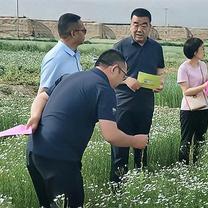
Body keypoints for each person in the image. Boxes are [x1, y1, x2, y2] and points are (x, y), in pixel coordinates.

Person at [26, 49, 148, 207]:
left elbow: (41, 96)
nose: (121, 81)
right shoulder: (104, 89)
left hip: (34, 151)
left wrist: (35, 116)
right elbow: (110, 135)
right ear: (114, 69)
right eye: (123, 76)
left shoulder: (70, 76)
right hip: (60, 158)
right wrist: (135, 141)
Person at [110, 8, 165, 183]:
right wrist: (127, 80)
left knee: (142, 148)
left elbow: (160, 71)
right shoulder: (119, 47)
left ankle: (140, 186)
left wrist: (160, 83)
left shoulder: (156, 48)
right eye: (136, 24)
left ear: (150, 27)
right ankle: (117, 190)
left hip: (145, 106)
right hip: (123, 106)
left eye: (144, 25)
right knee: (120, 150)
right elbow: (109, 75)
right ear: (130, 25)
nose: (139, 29)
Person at [177, 37, 208, 165]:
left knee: (200, 140)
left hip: (204, 107)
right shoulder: (183, 68)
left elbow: (207, 85)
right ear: (195, 52)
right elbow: (186, 91)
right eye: (202, 48)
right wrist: (205, 86)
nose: (204, 50)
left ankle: (197, 165)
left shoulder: (203, 65)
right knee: (186, 140)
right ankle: (182, 168)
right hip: (188, 109)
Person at [38, 13, 86, 93]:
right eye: (83, 31)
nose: (85, 34)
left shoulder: (73, 54)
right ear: (73, 33)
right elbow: (43, 93)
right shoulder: (55, 58)